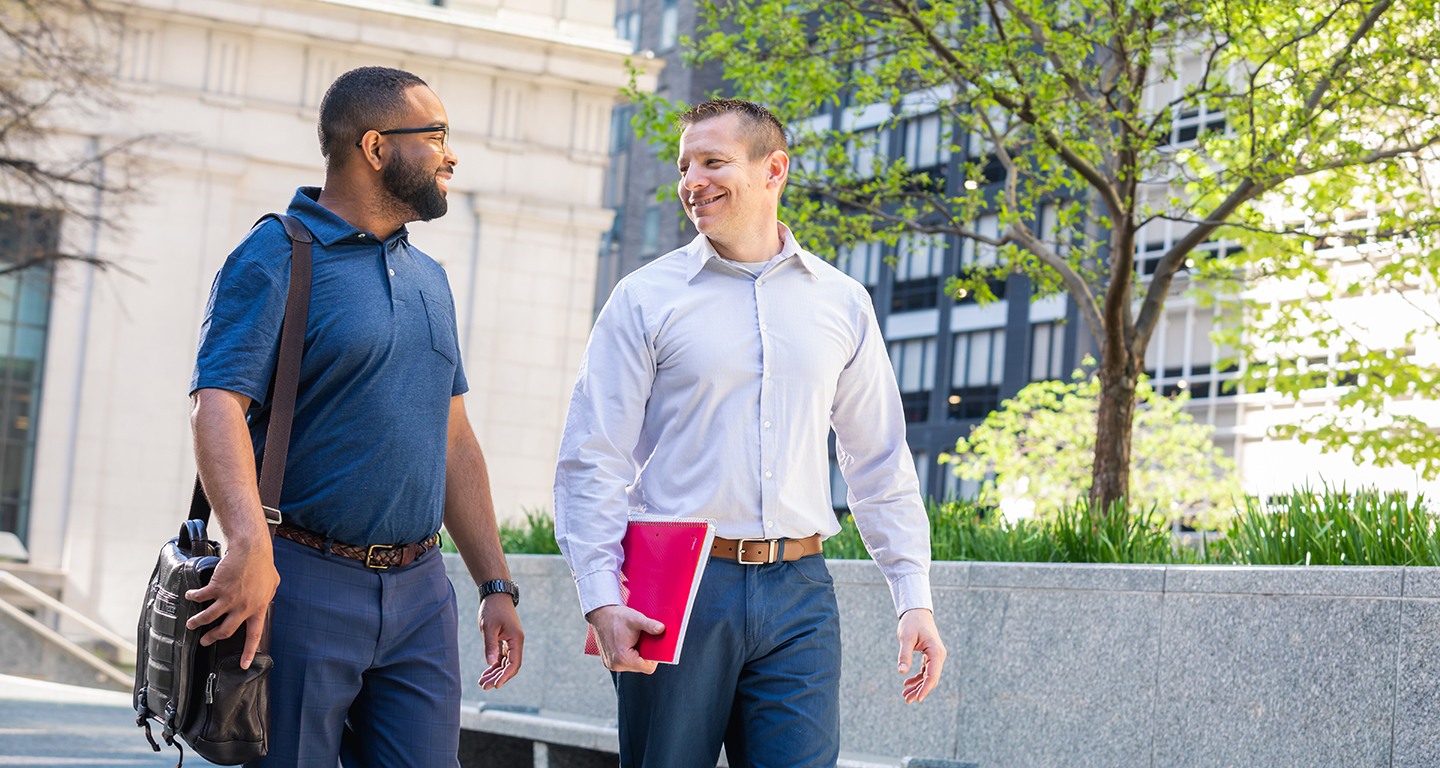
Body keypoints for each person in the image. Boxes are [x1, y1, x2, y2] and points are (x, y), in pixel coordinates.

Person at [554, 98, 946, 768]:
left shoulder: (841, 301)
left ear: (774, 170)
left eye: (713, 161)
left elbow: (878, 458)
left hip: (801, 591)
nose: (691, 180)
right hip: (676, 586)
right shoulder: (646, 298)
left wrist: (914, 599)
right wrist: (599, 597)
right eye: (685, 166)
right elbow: (594, 457)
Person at [185, 66, 523, 767]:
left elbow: (454, 438)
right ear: (375, 147)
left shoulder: (430, 277)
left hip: (422, 591)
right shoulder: (276, 254)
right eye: (436, 136)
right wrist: (248, 545)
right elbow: (215, 404)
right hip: (303, 581)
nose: (451, 154)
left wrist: (495, 583)